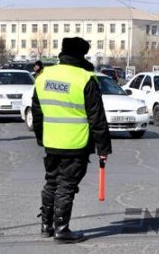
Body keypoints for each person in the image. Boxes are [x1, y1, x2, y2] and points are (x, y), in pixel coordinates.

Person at [32, 37, 112, 243]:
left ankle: (46, 225)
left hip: (52, 142)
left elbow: (37, 112)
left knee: (51, 182)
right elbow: (97, 117)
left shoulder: (44, 76)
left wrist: (41, 138)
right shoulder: (85, 78)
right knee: (66, 185)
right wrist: (103, 148)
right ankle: (62, 228)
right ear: (82, 55)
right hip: (76, 143)